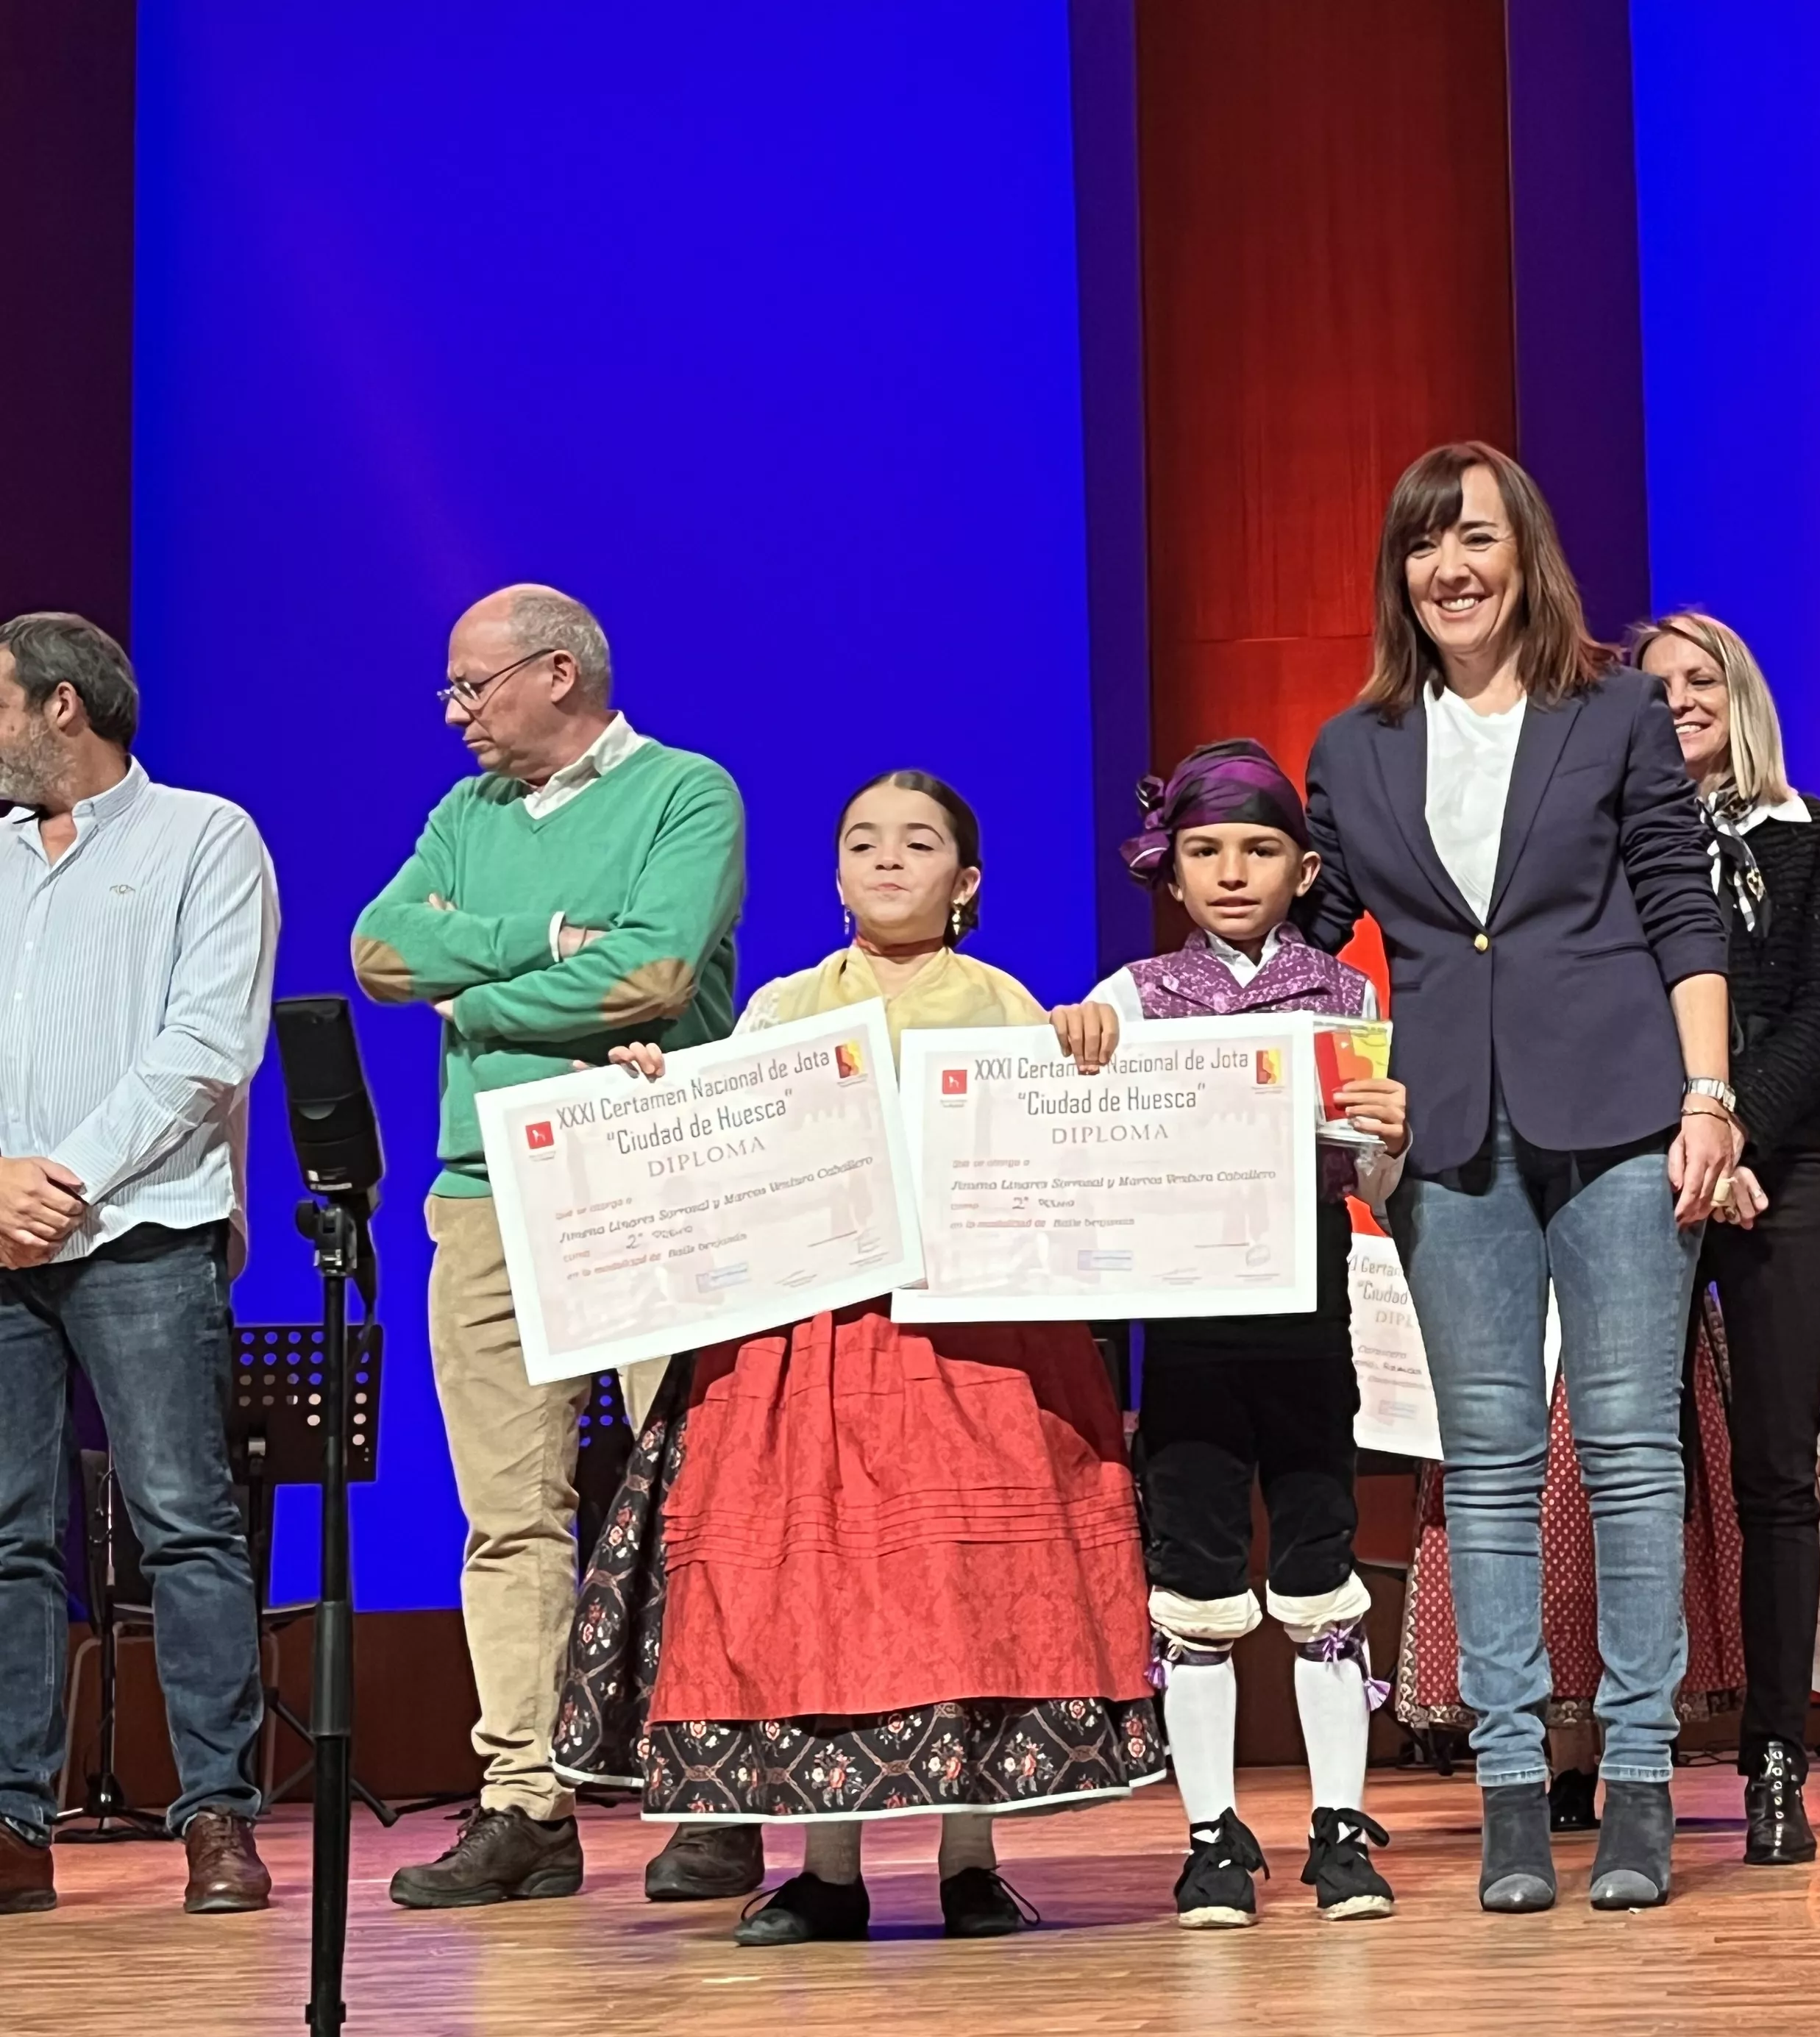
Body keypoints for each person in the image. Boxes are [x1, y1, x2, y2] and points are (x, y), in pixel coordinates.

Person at [552, 771, 1164, 1944]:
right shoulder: (785, 1011)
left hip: (964, 1344)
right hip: (806, 1344)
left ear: (965, 881)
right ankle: (827, 1870)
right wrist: (655, 1094)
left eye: (919, 843)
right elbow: (716, 1155)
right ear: (835, 876)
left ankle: (969, 1862)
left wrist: (1086, 1042)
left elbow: (1055, 1151)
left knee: (960, 1582)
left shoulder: (1003, 1009)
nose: (889, 861)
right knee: (811, 1583)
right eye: (863, 843)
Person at [1304, 441, 1737, 1913]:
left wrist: (1708, 1093)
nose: (1451, 567)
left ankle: (1634, 1787)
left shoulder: (1611, 709)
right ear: (1400, 573)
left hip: (1620, 1115)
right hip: (1446, 1137)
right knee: (1482, 1469)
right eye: (1425, 543)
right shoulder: (1353, 745)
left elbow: (1684, 908)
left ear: (1524, 552)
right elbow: (1307, 952)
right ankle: (1502, 1792)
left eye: (1475, 536)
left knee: (1626, 1454)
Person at [352, 586, 752, 1907]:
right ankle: (526, 1798)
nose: (457, 713)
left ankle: (714, 1787)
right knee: (504, 1513)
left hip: (639, 1166)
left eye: (474, 686)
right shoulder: (462, 816)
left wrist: (473, 982)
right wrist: (553, 939)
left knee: (682, 1494)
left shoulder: (686, 793)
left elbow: (656, 980)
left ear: (560, 672)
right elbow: (379, 948)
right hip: (481, 1188)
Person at [1055, 739, 1412, 1926]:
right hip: (1190, 1317)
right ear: (1170, 866)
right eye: (1204, 850)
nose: (1231, 872)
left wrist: (1393, 1131)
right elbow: (1077, 1151)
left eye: (1259, 849)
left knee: (1321, 1568)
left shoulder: (1348, 998)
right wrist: (1073, 1060)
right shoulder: (1129, 997)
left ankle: (1338, 1826)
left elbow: (1375, 1170)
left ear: (1304, 867)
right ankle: (1210, 1831)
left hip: (1308, 1303)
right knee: (1195, 1582)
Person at [0, 611, 279, 1919]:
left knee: (183, 1520)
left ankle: (217, 1811)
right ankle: (13, 1823)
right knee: (8, 1537)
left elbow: (206, 1043)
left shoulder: (203, 836)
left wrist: (61, 1179)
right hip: (0, 1231)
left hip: (143, 1231)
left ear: (63, 706)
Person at [1632, 611, 1820, 1866]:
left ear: (1741, 690)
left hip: (1782, 1171)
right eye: (1655, 684)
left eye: (1698, 676)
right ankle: (1639, 1752)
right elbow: (1620, 1003)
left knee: (1777, 1476)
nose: (1678, 698)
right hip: (1653, 1170)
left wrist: (1739, 1136)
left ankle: (1776, 1756)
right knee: (1642, 1478)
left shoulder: (1815, 834)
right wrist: (1688, 1135)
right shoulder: (1615, 843)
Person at [1389, 1301, 1750, 1819]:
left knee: (1626, 1526)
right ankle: (1567, 1766)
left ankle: (1636, 1762)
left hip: (1624, 1312)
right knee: (1549, 1551)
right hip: (1526, 1321)